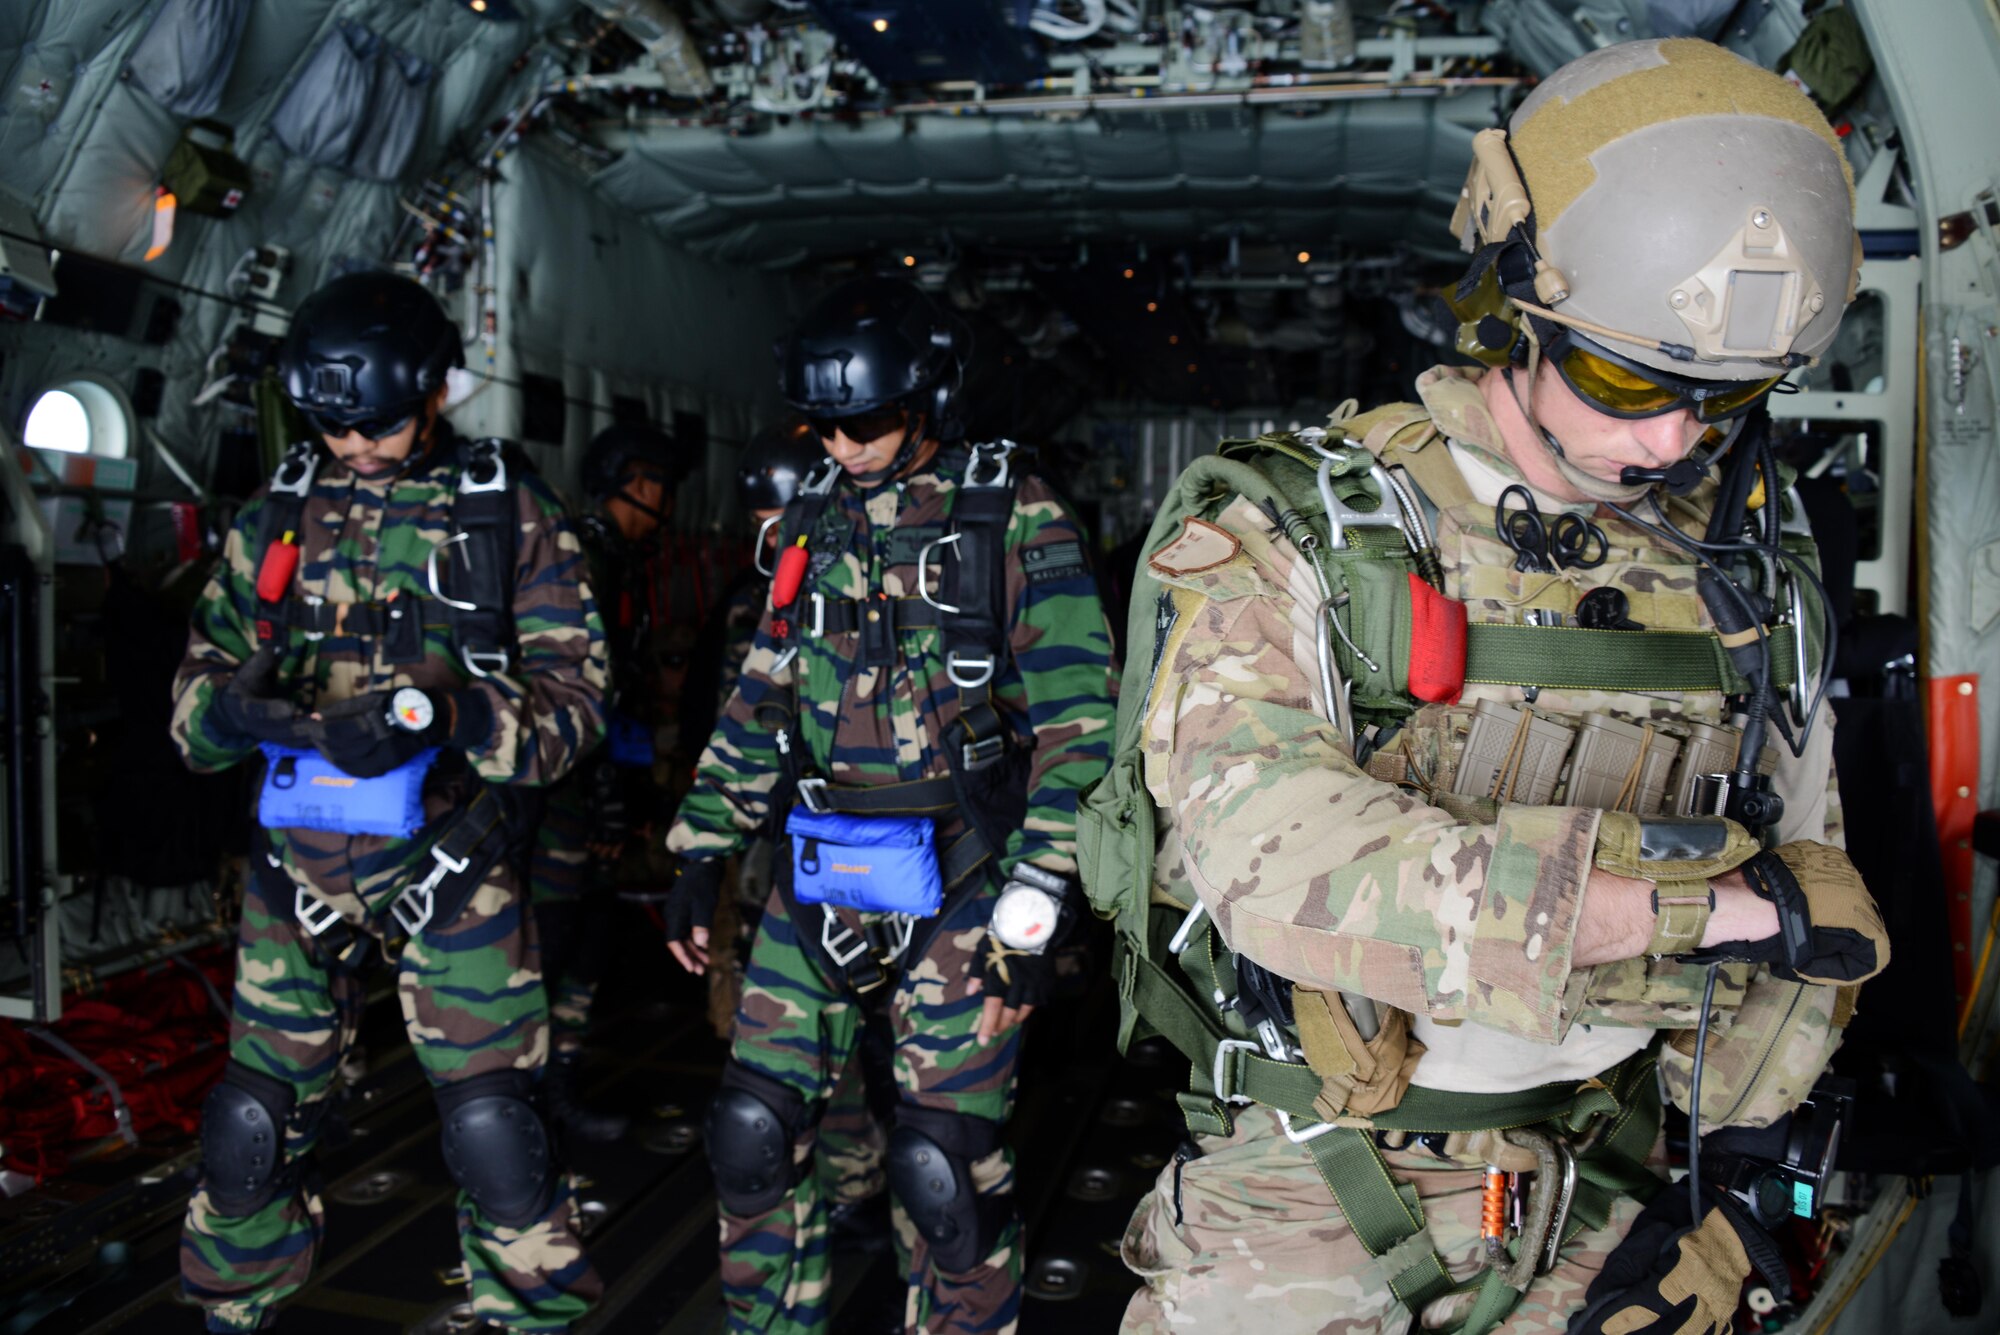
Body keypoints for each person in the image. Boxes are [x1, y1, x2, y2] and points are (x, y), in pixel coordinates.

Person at [1086, 39, 1892, 1335]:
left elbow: (1810, 872)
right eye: (1630, 379)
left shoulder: (1747, 567)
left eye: (1719, 399)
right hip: (1318, 1194)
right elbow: (1265, 855)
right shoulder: (1309, 521)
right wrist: (1682, 905)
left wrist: (1734, 1171)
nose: (1667, 440)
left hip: (1613, 1182)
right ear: (1524, 305)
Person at [661, 276, 1119, 1334]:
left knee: (941, 1166)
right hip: (818, 872)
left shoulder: (1011, 514)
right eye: (820, 424)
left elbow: (1078, 732)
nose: (842, 443)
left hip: (964, 879)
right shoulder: (808, 523)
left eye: (861, 420)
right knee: (750, 1133)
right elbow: (760, 694)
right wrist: (701, 848)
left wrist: (1035, 912)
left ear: (927, 395)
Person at [171, 272, 606, 1333]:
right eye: (331, 427)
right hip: (294, 868)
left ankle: (531, 1317)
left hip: (450, 869)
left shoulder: (508, 518)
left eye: (373, 426)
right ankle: (230, 1310)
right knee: (249, 1127)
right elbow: (192, 703)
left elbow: (577, 711)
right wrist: (233, 712)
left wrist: (449, 716)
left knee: (501, 1135)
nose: (353, 447)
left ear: (434, 395)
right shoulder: (275, 513)